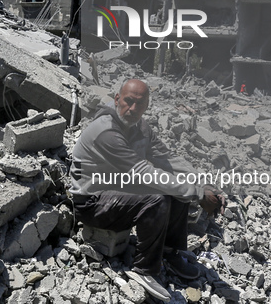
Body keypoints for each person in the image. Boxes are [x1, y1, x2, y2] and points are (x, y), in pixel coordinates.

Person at [69, 79, 225, 302]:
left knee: (175, 187)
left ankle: (169, 252)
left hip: (118, 191)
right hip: (92, 202)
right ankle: (145, 270)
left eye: (138, 105)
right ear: (117, 99)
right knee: (157, 198)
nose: (132, 109)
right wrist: (198, 194)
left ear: (146, 107)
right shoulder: (106, 132)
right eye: (128, 101)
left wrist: (202, 184)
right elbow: (144, 172)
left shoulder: (140, 128)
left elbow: (167, 158)